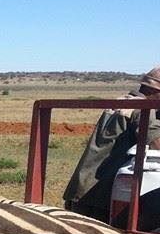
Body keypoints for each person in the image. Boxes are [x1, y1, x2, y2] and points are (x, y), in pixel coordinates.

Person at [62, 66, 160, 222]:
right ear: (156, 92)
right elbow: (156, 144)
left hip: (81, 189)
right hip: (101, 196)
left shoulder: (120, 102)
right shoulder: (143, 110)